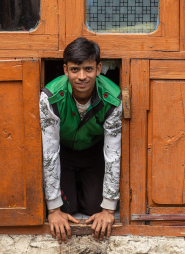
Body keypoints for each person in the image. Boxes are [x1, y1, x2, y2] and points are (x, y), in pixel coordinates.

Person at [39, 37, 122, 243]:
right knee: (68, 209)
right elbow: (49, 153)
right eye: (75, 70)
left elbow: (113, 153)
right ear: (65, 70)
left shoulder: (112, 97)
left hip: (94, 152)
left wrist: (109, 209)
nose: (82, 76)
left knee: (95, 207)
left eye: (88, 69)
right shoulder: (50, 97)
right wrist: (54, 209)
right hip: (64, 152)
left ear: (99, 68)